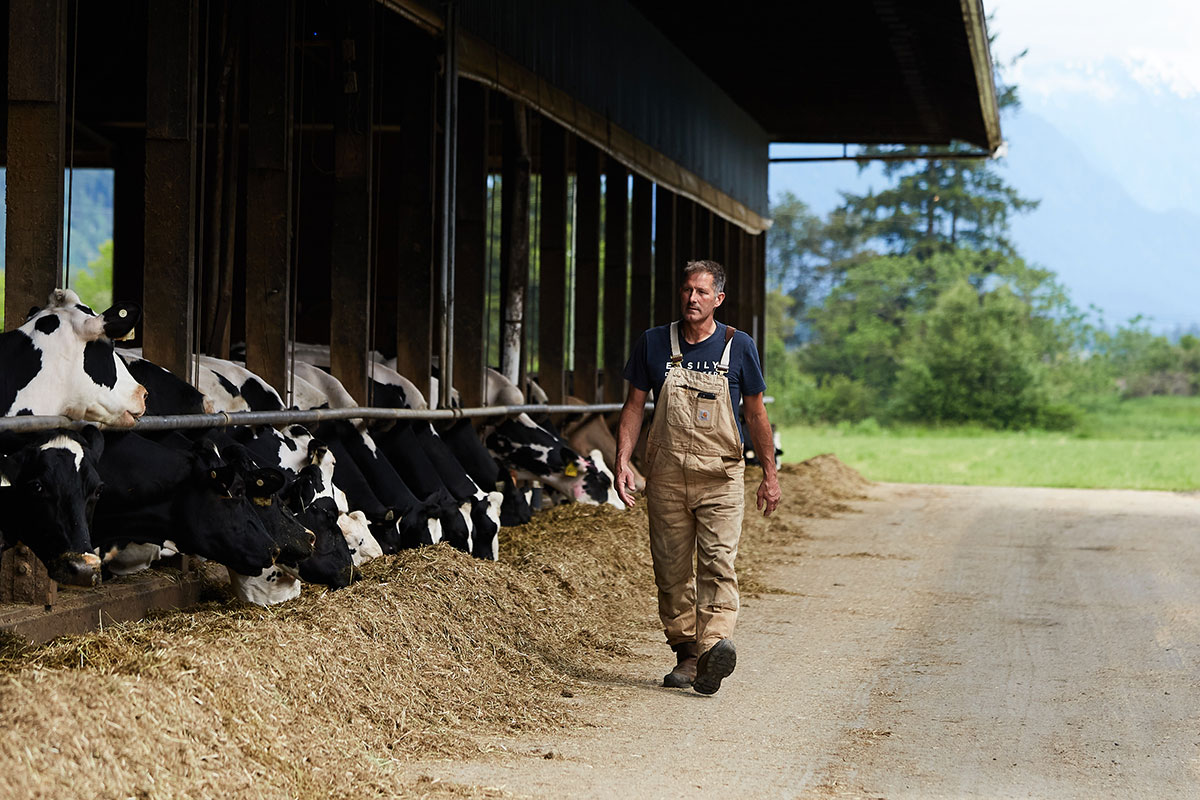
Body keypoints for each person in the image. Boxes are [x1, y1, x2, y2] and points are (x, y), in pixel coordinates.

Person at [615, 259, 782, 695]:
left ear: (718, 299)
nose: (692, 298)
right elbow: (633, 407)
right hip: (666, 477)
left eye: (702, 292)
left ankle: (713, 648)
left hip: (722, 478)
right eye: (688, 290)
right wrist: (622, 463)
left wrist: (770, 474)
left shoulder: (738, 345)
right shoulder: (653, 343)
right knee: (671, 572)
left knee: (718, 563)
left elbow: (756, 413)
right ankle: (686, 652)